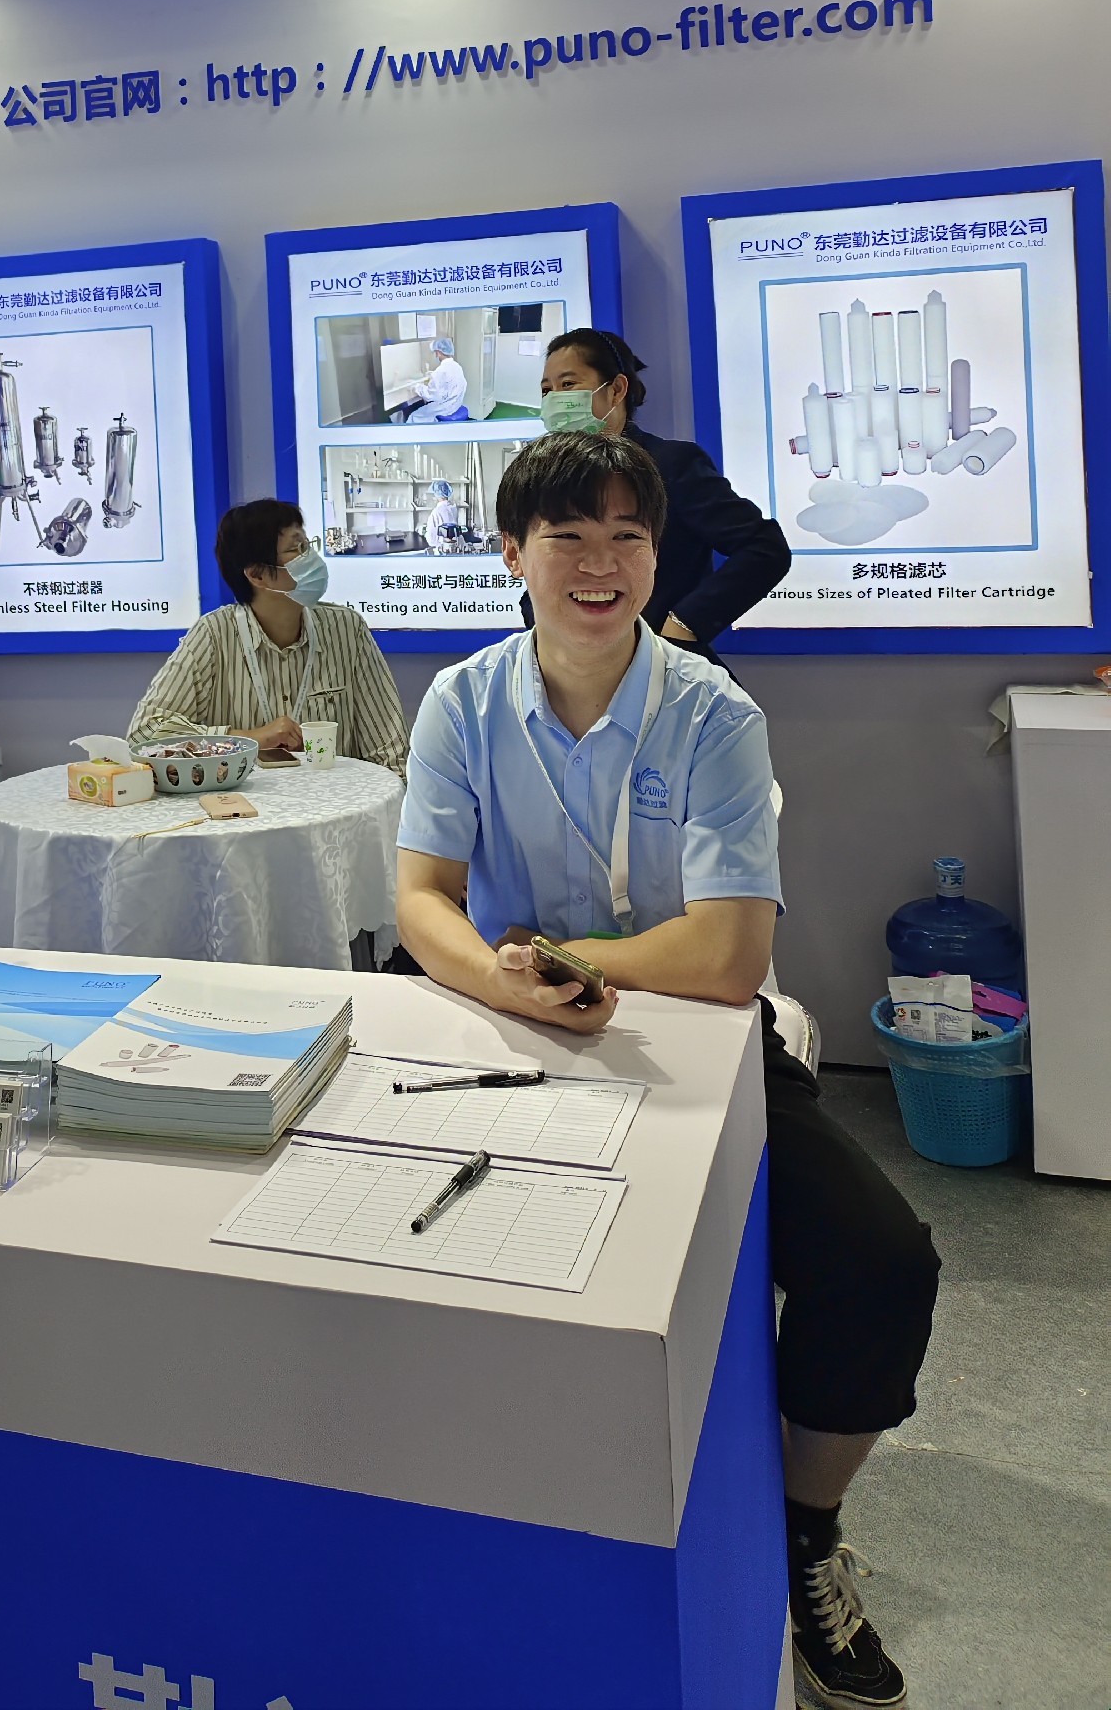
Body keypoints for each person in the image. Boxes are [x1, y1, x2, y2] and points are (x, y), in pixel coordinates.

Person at [396, 431, 936, 1710]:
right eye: (568, 537)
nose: (602, 564)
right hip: (506, 1037)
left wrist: (566, 958)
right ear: (512, 553)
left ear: (657, 555)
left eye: (628, 537)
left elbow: (729, 953)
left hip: (696, 1043)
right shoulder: (463, 701)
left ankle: (806, 1527)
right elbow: (422, 899)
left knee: (881, 1262)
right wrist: (507, 984)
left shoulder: (712, 712)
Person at [540, 326, 791, 653]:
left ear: (616, 390)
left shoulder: (669, 464)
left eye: (568, 385)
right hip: (580, 663)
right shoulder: (554, 478)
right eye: (546, 390)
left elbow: (764, 548)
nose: (555, 399)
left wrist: (683, 625)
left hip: (664, 663)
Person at [128, 497, 408, 773]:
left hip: (337, 799)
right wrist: (248, 739)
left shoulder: (346, 628)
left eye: (307, 544)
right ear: (257, 575)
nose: (312, 558)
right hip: (244, 801)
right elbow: (144, 734)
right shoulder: (214, 634)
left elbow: (390, 752)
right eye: (296, 549)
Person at [392, 335, 468, 423]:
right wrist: (432, 375)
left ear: (439, 352)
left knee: (414, 415)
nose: (436, 355)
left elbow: (430, 395)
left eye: (436, 353)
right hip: (455, 404)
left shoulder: (440, 371)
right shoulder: (456, 366)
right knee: (423, 406)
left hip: (445, 408)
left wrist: (416, 387)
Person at [423, 479, 460, 553]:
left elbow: (431, 540)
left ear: (436, 495)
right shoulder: (453, 508)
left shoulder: (436, 512)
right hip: (455, 546)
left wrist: (424, 533)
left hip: (443, 548)